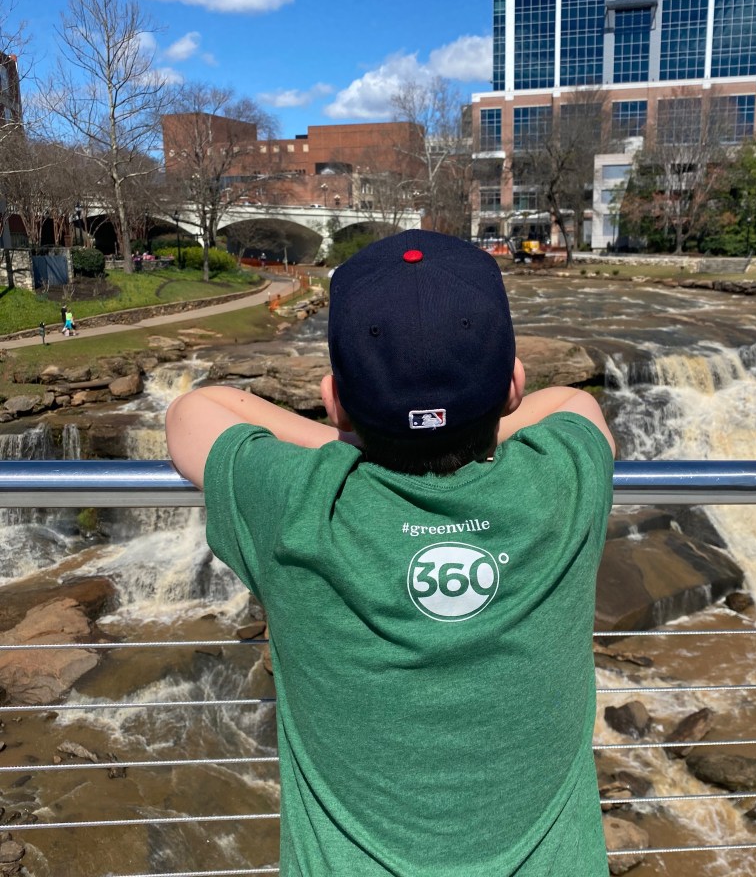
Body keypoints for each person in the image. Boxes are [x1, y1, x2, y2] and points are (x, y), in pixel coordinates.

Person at [166, 230, 616, 877]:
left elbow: (194, 411)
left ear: (334, 400)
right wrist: (468, 420)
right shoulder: (563, 481)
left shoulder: (300, 504)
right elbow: (574, 403)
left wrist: (342, 443)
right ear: (512, 386)